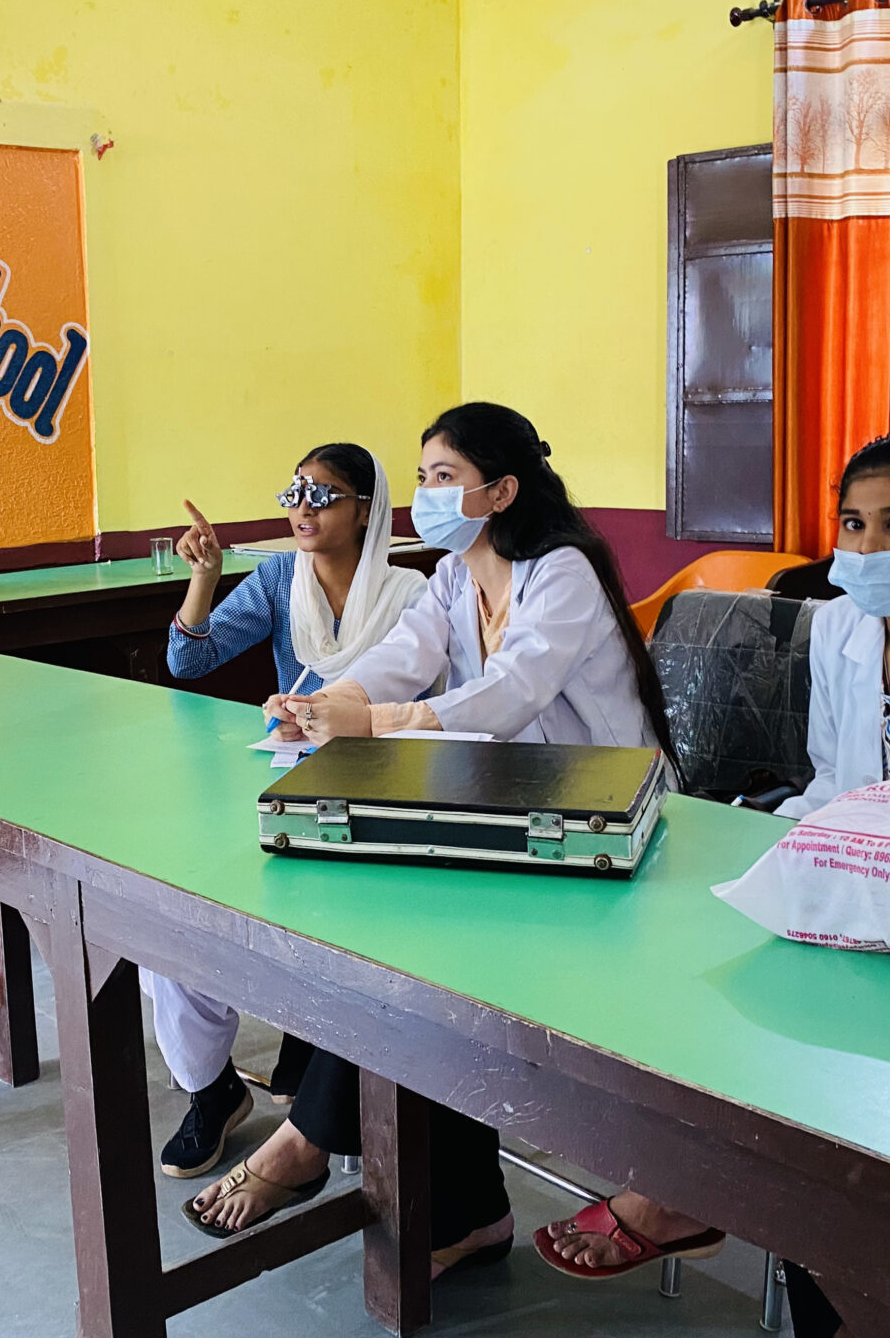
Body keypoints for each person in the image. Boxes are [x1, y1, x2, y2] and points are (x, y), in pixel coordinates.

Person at [537, 433, 890, 1337]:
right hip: (878, 898)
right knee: (719, 989)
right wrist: (784, 860)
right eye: (853, 523)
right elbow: (837, 786)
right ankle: (717, 1202)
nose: (867, 549)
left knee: (816, 1069)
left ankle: (716, 1207)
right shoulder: (841, 627)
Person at [188, 401, 672, 1279]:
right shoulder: (454, 578)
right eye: (420, 477)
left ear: (503, 490)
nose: (425, 495)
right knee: (395, 946)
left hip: (596, 831)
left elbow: (510, 695)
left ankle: (317, 1143)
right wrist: (322, 703)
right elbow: (402, 658)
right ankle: (465, 1210)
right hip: (509, 818)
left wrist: (373, 719)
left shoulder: (560, 571)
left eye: (443, 478)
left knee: (417, 958)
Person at [147, 443, 427, 1179]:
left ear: (366, 510)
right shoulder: (277, 580)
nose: (302, 506)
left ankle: (320, 1063)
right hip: (282, 783)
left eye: (323, 494)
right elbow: (190, 663)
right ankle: (210, 1090)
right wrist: (204, 580)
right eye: (294, 492)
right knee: (178, 917)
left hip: (381, 789)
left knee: (346, 938)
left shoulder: (414, 594)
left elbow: (438, 704)